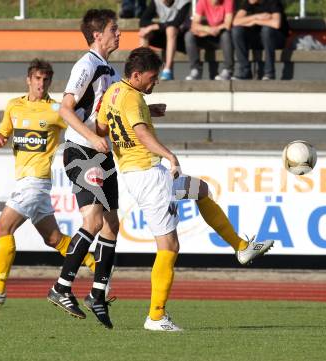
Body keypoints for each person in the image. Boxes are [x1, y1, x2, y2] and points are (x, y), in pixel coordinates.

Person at [97, 47, 274, 331]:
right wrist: (170, 156)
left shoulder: (115, 92)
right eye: (152, 78)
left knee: (201, 190)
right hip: (150, 175)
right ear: (137, 74)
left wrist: (147, 112)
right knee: (168, 246)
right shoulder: (131, 99)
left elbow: (103, 127)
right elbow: (140, 134)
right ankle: (156, 316)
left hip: (136, 173)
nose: (155, 82)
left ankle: (241, 247)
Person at [0, 59, 96, 305]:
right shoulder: (13, 106)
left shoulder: (57, 110)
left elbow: (81, 124)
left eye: (46, 79)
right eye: (37, 79)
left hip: (36, 181)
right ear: (29, 79)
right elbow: (3, 132)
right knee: (54, 239)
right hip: (26, 182)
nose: (41, 83)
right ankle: (96, 263)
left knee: (3, 229)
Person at [46, 9, 121, 330]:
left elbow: (110, 111)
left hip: (101, 153)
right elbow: (65, 108)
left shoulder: (110, 69)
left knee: (112, 225)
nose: (119, 33)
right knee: (92, 220)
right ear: (97, 36)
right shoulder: (86, 64)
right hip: (82, 151)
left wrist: (149, 111)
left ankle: (97, 293)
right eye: (114, 29)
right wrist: (91, 136)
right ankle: (61, 287)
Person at [231, 0, 289, 80]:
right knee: (236, 30)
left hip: (275, 40)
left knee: (267, 30)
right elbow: (235, 22)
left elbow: (276, 24)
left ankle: (269, 73)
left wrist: (255, 21)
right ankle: (245, 71)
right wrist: (255, 17)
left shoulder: (273, 2)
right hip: (258, 39)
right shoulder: (248, 3)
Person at [139, 0, 191, 80]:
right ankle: (144, 68)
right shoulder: (156, 2)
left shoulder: (184, 2)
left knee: (171, 29)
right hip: (165, 35)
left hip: (182, 39)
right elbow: (143, 21)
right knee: (144, 31)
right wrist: (151, 28)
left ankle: (167, 70)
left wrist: (153, 27)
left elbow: (176, 22)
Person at [184, 0, 234, 81]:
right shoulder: (202, 2)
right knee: (189, 35)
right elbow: (194, 25)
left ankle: (228, 70)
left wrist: (215, 29)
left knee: (226, 35)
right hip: (207, 35)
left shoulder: (228, 1)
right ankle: (195, 70)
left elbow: (228, 24)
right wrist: (208, 29)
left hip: (221, 36)